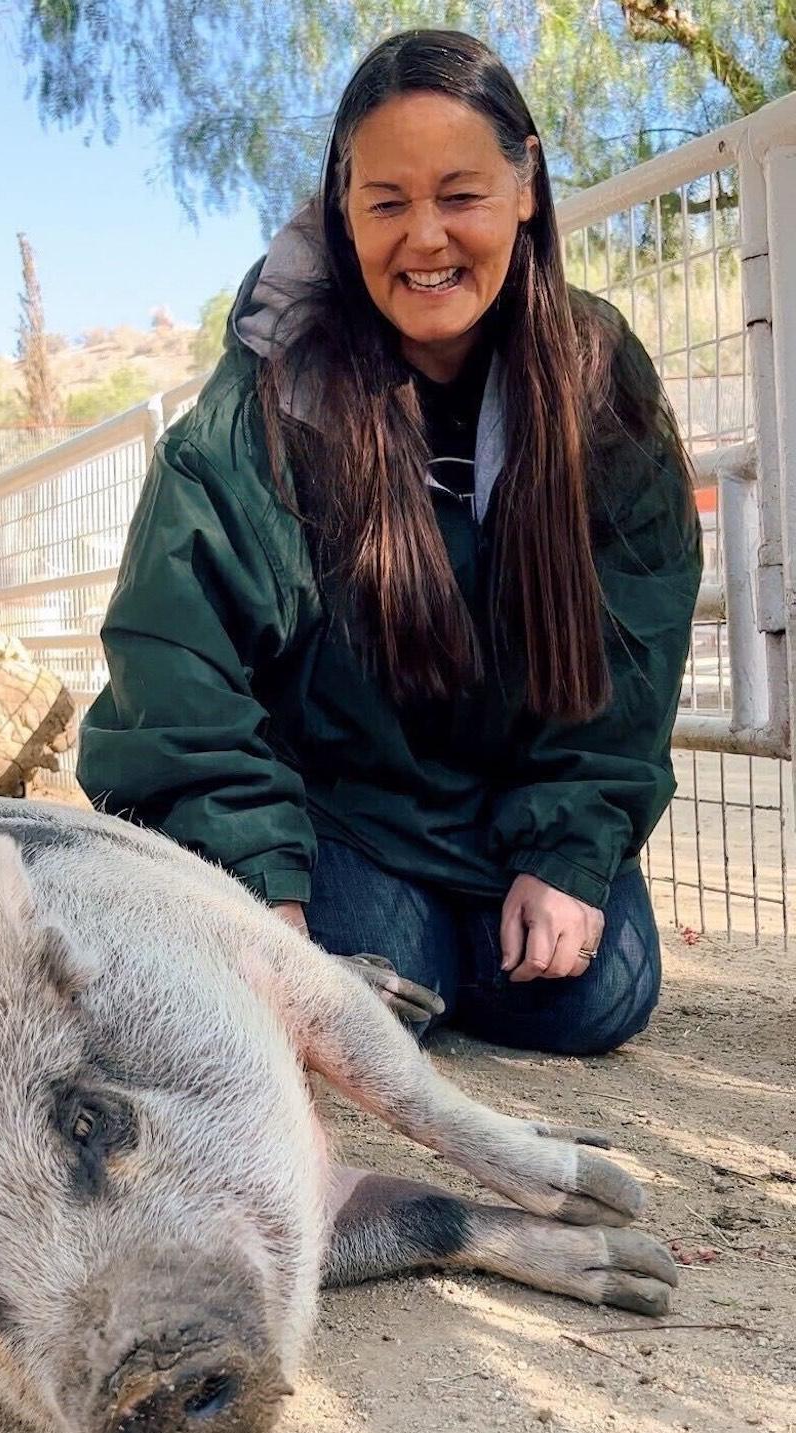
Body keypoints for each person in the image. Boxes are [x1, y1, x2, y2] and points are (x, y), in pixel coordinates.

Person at [76, 29, 702, 1056]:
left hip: (507, 807)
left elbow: (633, 647)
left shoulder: (598, 372)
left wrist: (569, 851)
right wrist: (258, 885)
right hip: (340, 811)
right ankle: (330, 929)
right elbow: (177, 661)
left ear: (526, 186)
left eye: (460, 195)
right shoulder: (272, 394)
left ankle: (444, 941)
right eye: (387, 203)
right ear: (342, 207)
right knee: (379, 984)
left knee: (598, 999)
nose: (426, 239)